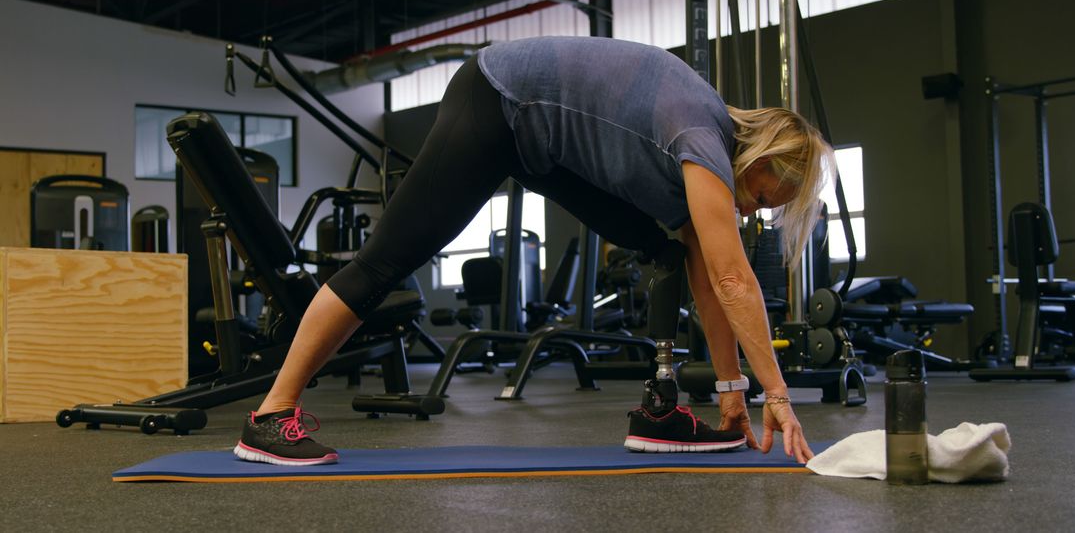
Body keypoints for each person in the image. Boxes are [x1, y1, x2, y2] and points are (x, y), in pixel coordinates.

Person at [233, 36, 831, 467]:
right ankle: (269, 416)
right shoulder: (704, 137)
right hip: (497, 100)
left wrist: (733, 389)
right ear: (757, 158)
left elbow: (708, 274)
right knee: (385, 261)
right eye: (758, 195)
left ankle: (660, 411)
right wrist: (775, 395)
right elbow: (733, 280)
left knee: (665, 249)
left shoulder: (705, 143)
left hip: (539, 145)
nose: (750, 211)